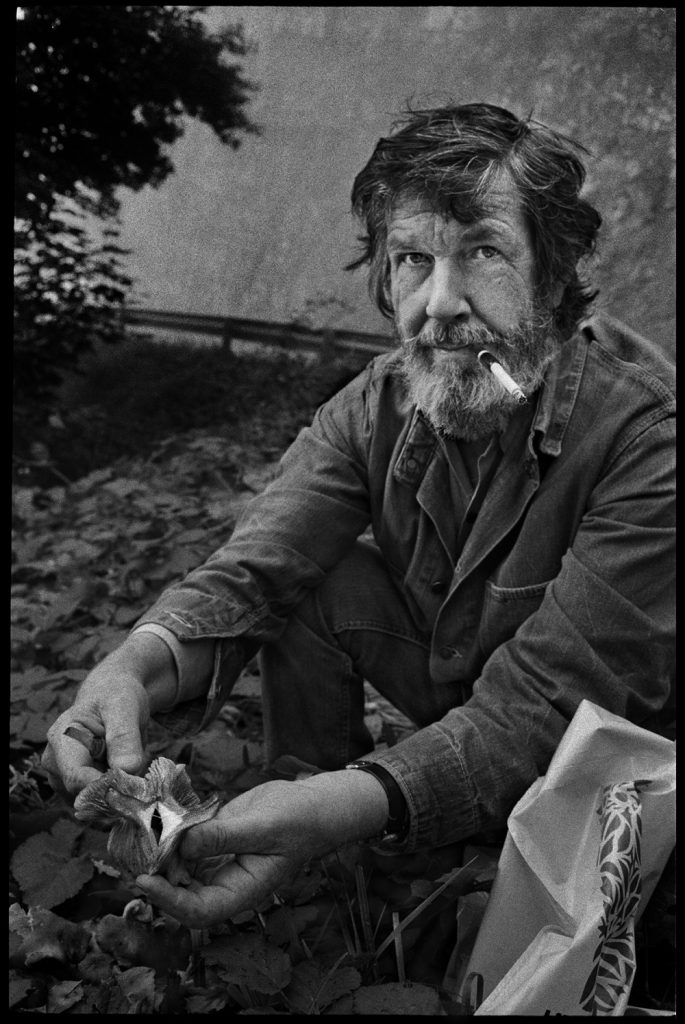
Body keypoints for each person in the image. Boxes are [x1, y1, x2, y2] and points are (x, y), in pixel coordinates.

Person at [42, 102, 675, 930]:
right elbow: (253, 572)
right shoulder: (372, 407)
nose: (439, 303)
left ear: (552, 277)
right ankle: (318, 866)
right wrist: (128, 672)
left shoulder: (645, 444)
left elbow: (545, 709)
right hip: (458, 705)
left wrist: (346, 804)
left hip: (618, 772)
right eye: (413, 259)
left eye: (482, 251)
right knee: (311, 579)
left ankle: (335, 828)